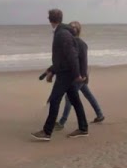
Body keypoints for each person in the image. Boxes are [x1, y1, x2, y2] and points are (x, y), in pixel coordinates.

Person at [32, 9, 88, 140]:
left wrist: (76, 75)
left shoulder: (62, 34)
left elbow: (72, 56)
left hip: (66, 74)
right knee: (75, 100)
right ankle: (83, 128)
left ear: (50, 20)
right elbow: (62, 58)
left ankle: (47, 132)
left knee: (55, 100)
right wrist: (52, 70)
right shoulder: (63, 32)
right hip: (66, 72)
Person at [55, 21, 104, 130]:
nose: (71, 29)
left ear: (78, 30)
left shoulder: (80, 44)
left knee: (69, 97)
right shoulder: (70, 42)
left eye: (74, 27)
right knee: (88, 94)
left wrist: (84, 75)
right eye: (70, 27)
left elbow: (83, 61)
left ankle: (62, 122)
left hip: (79, 76)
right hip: (76, 75)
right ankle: (100, 114)